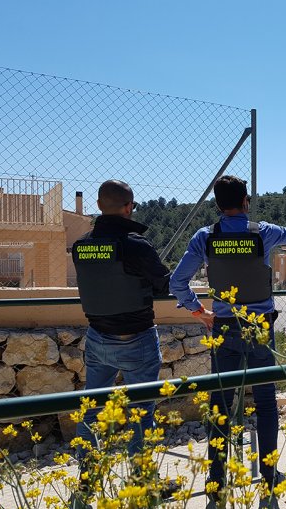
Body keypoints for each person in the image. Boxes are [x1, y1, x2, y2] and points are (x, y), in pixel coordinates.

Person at [169, 175, 286, 509]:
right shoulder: (263, 232)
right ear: (246, 201)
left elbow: (177, 281)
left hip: (223, 327)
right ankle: (268, 474)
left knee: (220, 405)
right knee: (265, 402)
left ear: (218, 205)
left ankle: (216, 481)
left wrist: (197, 310)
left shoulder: (204, 238)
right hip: (261, 328)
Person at [70, 180, 172, 507]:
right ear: (129, 207)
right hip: (137, 340)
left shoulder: (81, 245)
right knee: (141, 413)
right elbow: (162, 283)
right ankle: (142, 485)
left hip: (97, 339)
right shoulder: (136, 245)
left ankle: (86, 481)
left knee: (91, 411)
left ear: (99, 206)